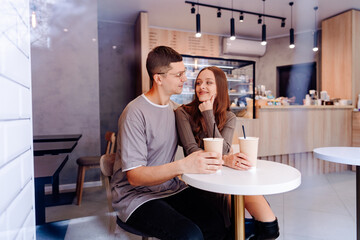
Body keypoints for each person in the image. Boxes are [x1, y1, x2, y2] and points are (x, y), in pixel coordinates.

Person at [111, 46, 228, 240]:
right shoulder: (134, 113)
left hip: (169, 189)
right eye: (179, 74)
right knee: (189, 235)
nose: (185, 79)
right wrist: (182, 165)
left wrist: (227, 158)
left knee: (217, 221)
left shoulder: (176, 111)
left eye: (184, 73)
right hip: (135, 197)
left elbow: (199, 145)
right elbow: (135, 176)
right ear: (158, 78)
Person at [175, 66, 280, 240]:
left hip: (226, 178)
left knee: (270, 229)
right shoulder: (183, 113)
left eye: (209, 83)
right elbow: (192, 151)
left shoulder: (229, 116)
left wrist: (209, 114)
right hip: (201, 181)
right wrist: (226, 159)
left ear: (220, 87)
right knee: (229, 228)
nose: (202, 87)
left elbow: (222, 150)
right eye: (199, 83)